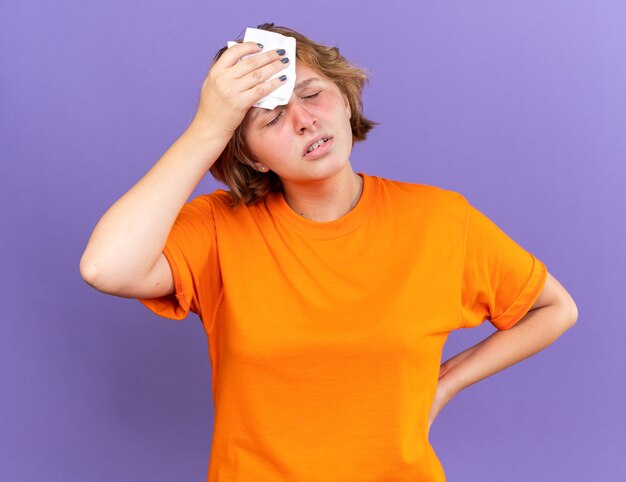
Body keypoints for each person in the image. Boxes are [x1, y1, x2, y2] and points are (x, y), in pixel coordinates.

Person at [80, 23, 578, 482]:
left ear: (345, 99)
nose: (303, 121)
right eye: (271, 118)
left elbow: (555, 308)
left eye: (313, 94)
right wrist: (208, 128)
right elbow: (106, 267)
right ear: (250, 154)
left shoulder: (440, 219)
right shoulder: (217, 227)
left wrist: (447, 381)